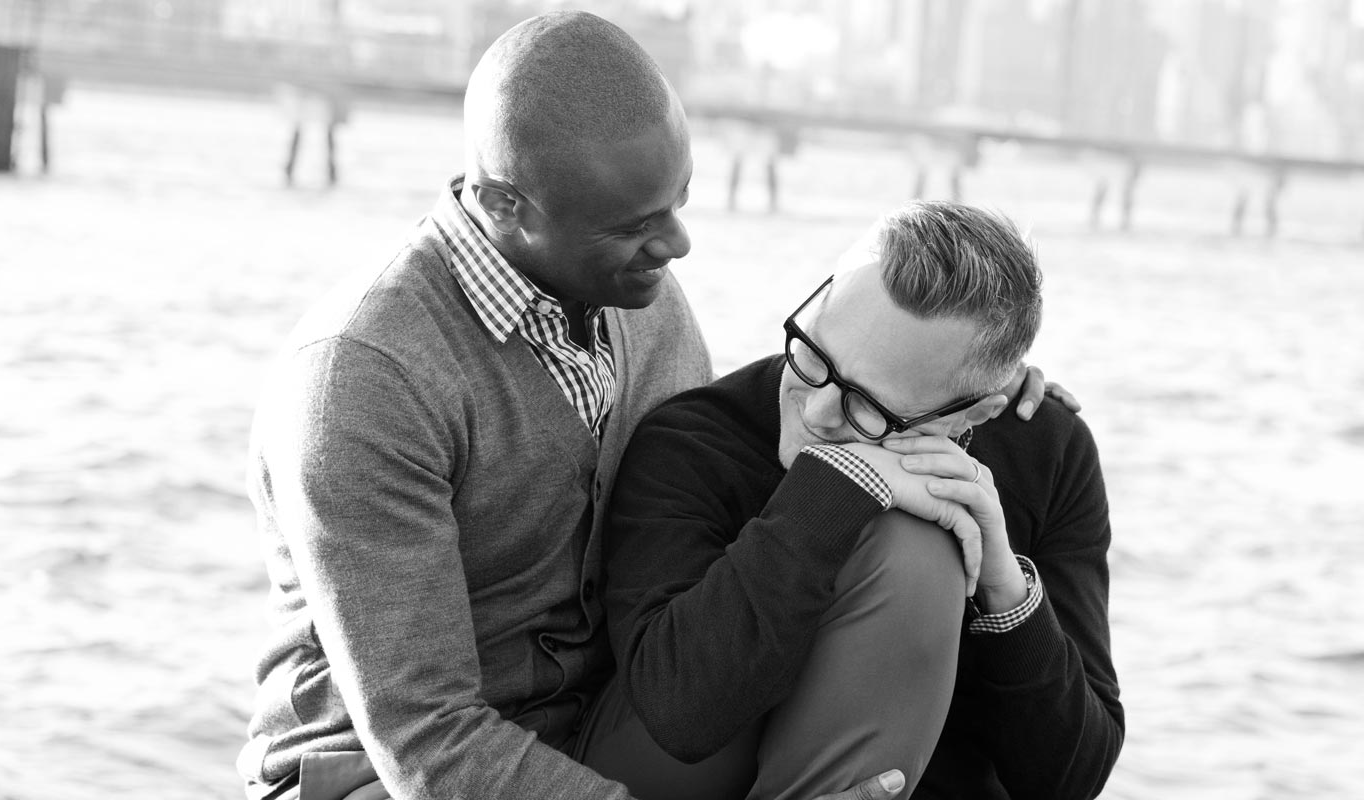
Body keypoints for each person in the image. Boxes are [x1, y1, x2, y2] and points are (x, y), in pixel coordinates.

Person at [239, 12, 1065, 800]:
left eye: (680, 199)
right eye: (637, 224)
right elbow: (425, 738)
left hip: (598, 727)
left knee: (877, 561)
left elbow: (726, 468)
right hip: (375, 775)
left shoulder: (642, 302)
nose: (677, 244)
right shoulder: (365, 378)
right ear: (503, 206)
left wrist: (962, 390)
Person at [584, 201, 1123, 800]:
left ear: (976, 412)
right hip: (667, 774)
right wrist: (838, 484)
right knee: (910, 544)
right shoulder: (697, 439)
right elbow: (679, 712)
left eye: (870, 408)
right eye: (814, 357)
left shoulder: (1046, 449)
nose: (816, 412)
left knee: (920, 545)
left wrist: (1004, 588)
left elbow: (1071, 780)